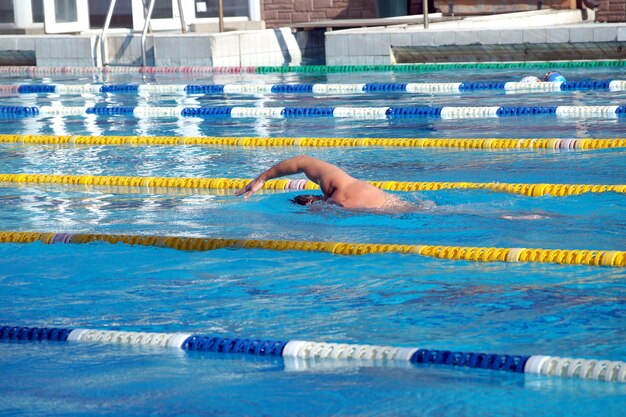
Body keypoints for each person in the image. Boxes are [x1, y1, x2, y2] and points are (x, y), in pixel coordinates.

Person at [235, 155, 414, 211]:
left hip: (374, 209)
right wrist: (261, 178)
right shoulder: (339, 182)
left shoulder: (337, 199)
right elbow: (302, 161)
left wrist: (261, 179)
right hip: (391, 202)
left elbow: (302, 162)